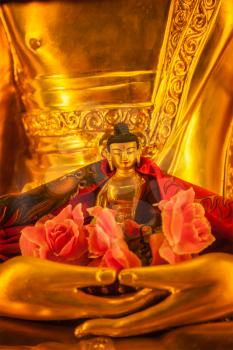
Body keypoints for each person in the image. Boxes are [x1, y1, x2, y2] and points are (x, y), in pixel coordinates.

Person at [0, 123, 232, 337]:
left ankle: (134, 310)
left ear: (138, 151)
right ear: (108, 155)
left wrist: (152, 233)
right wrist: (98, 232)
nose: (124, 157)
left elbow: (152, 208)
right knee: (9, 279)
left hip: (143, 242)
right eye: (119, 152)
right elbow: (98, 208)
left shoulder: (145, 181)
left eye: (130, 151)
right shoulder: (107, 184)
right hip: (102, 243)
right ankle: (107, 300)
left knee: (227, 277)